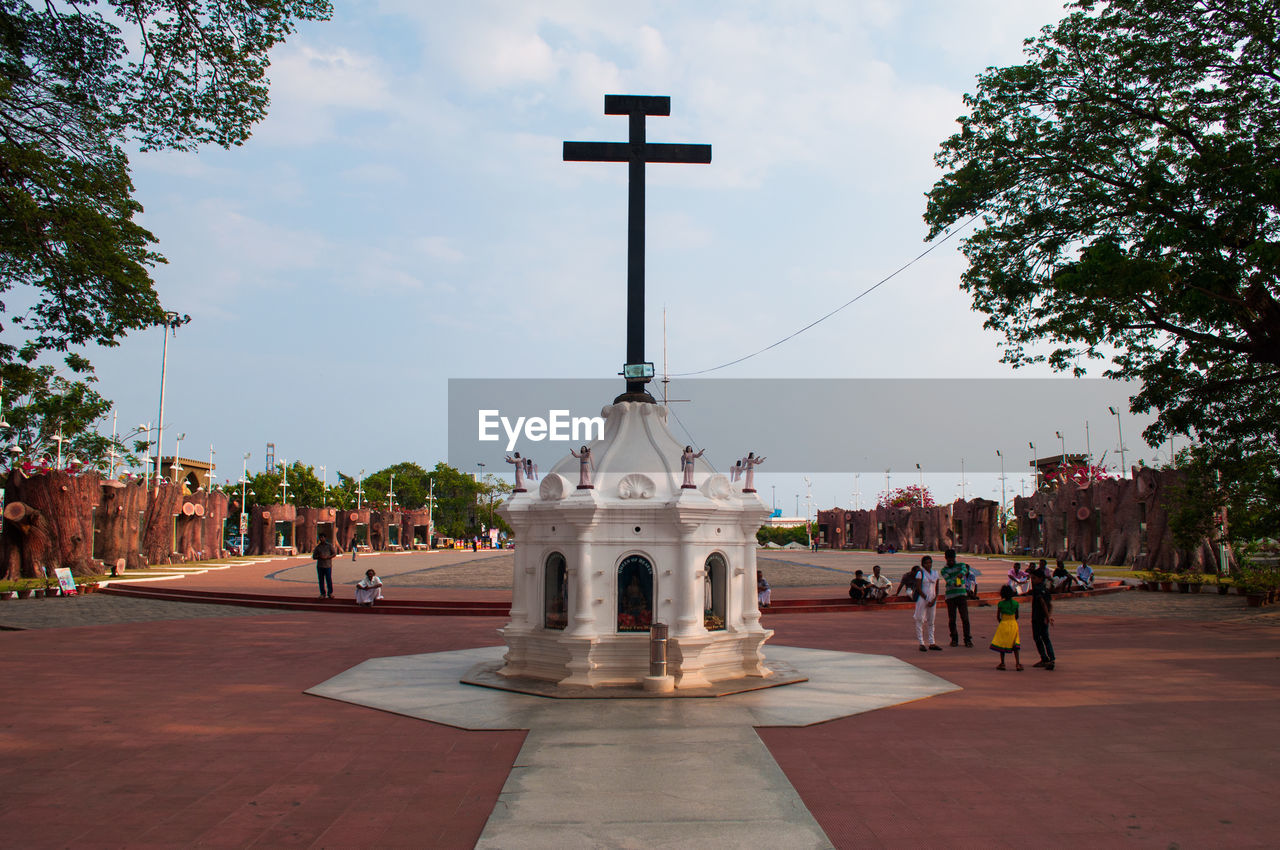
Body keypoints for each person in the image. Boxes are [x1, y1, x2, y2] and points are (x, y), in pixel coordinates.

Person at [940, 548, 974, 647]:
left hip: (961, 595)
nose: (951, 561)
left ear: (955, 558)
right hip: (950, 596)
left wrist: (961, 574)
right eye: (949, 560)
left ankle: (967, 639)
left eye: (952, 559)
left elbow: (965, 569)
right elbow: (948, 580)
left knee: (965, 618)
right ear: (946, 559)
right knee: (952, 619)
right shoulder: (944, 570)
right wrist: (955, 583)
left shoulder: (961, 565)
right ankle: (954, 638)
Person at [989, 584, 1023, 671]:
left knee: (1002, 643)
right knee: (1015, 643)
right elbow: (1017, 616)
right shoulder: (1015, 603)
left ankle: (1003, 663)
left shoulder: (1001, 604)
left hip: (1003, 623)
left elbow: (998, 617)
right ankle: (1018, 663)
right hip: (1013, 623)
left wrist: (1002, 621)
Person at [913, 555, 942, 652]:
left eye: (930, 562)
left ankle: (932, 642)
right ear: (923, 564)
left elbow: (936, 587)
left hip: (932, 599)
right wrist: (927, 598)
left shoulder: (935, 573)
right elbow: (918, 588)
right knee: (920, 619)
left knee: (931, 621)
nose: (928, 564)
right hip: (922, 599)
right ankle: (921, 642)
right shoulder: (920, 573)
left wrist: (934, 599)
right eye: (926, 563)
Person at [1030, 567, 1057, 670]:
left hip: (1038, 617)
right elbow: (1049, 604)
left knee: (1037, 638)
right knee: (1045, 638)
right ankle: (1051, 659)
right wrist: (1049, 616)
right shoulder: (1045, 589)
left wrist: (1047, 616)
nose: (1033, 580)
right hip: (1044, 618)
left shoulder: (1037, 589)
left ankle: (1045, 658)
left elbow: (1043, 603)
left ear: (1041, 578)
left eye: (1034, 578)